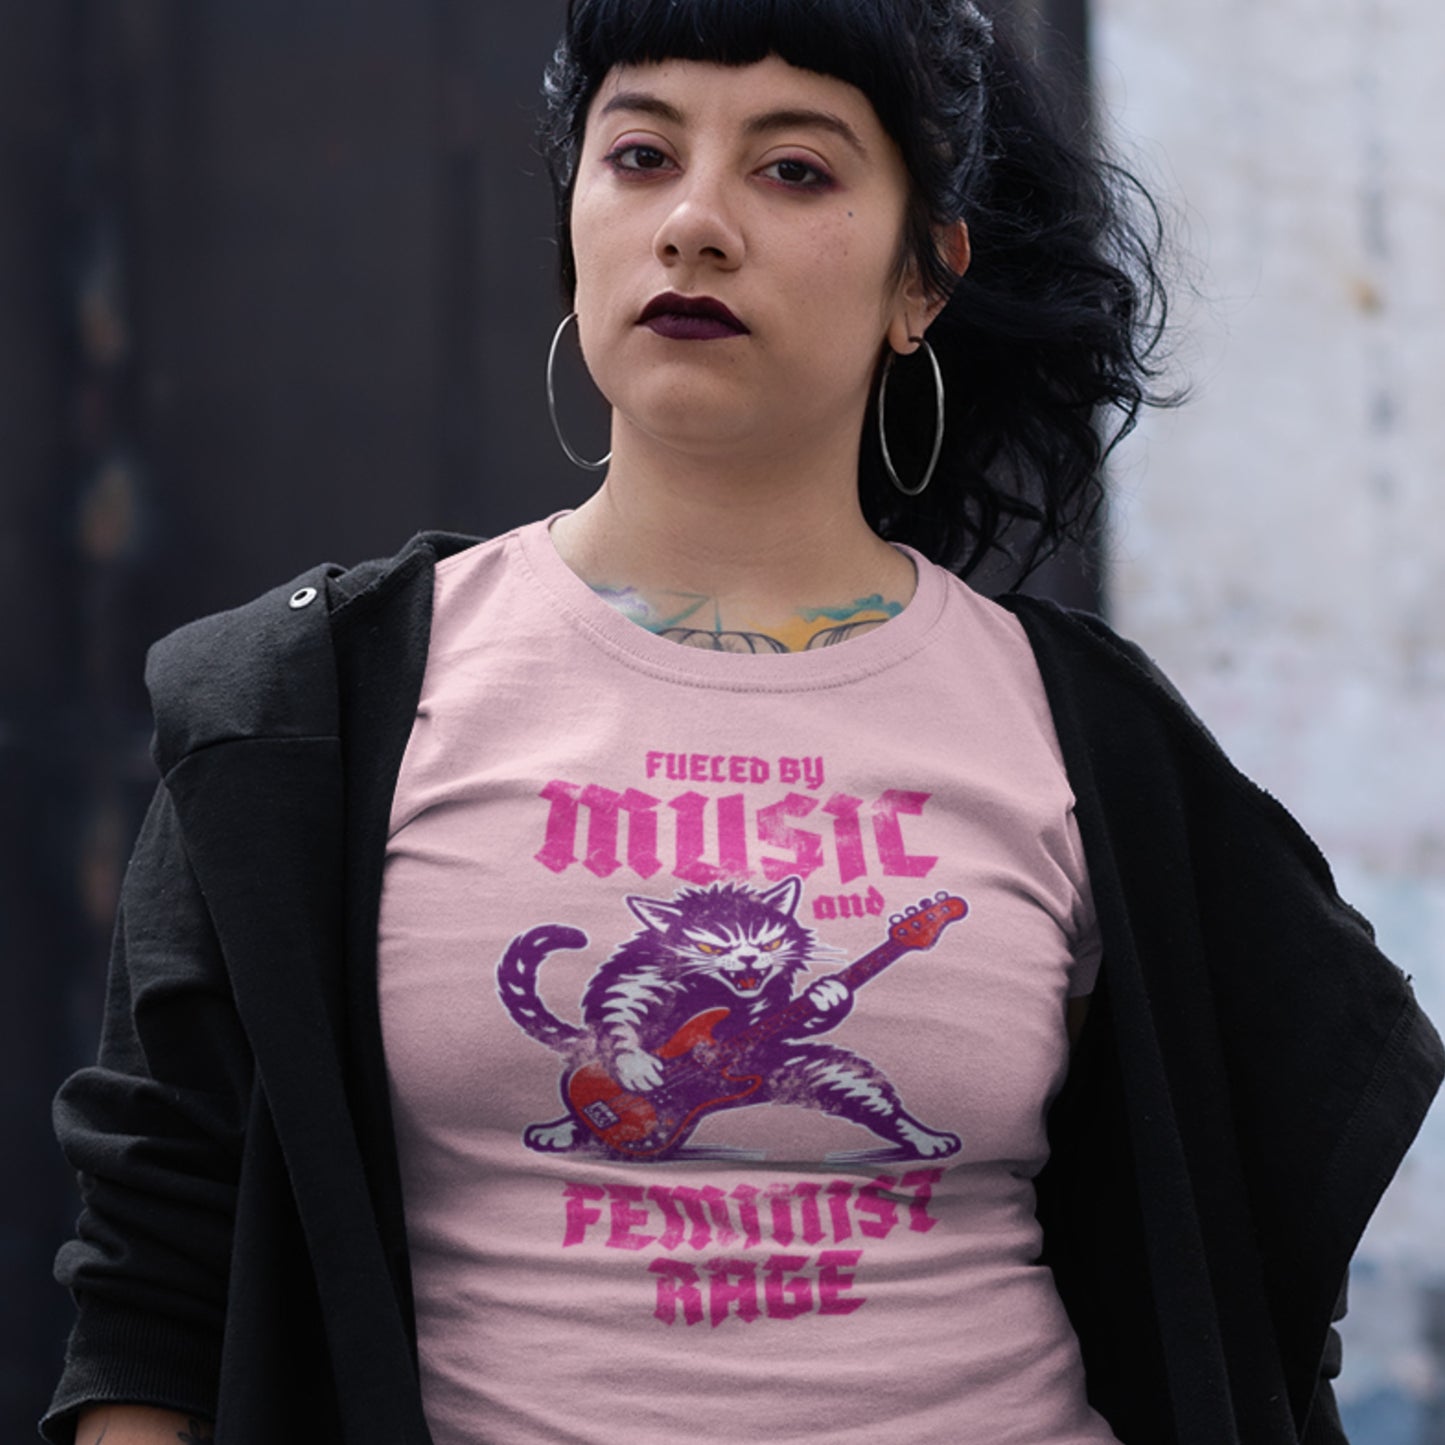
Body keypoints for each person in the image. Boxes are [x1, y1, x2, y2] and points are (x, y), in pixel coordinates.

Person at [45, 0, 1442, 1442]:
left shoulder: (1082, 736)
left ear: (923, 279)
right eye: (640, 154)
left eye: (794, 170)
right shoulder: (306, 712)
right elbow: (158, 1282)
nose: (696, 223)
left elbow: (1242, 1252)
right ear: (574, 216)